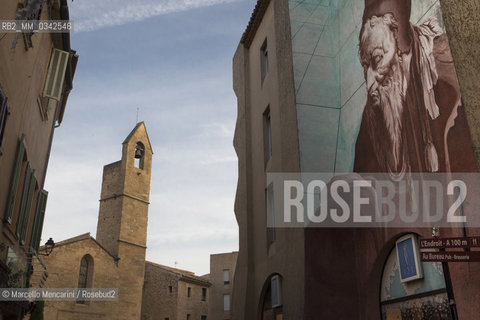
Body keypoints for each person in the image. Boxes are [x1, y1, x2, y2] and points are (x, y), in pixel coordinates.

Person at [353, 0, 476, 175]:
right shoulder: (373, 114)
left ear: (402, 51)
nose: (370, 80)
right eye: (366, 66)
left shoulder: (447, 72)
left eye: (377, 59)